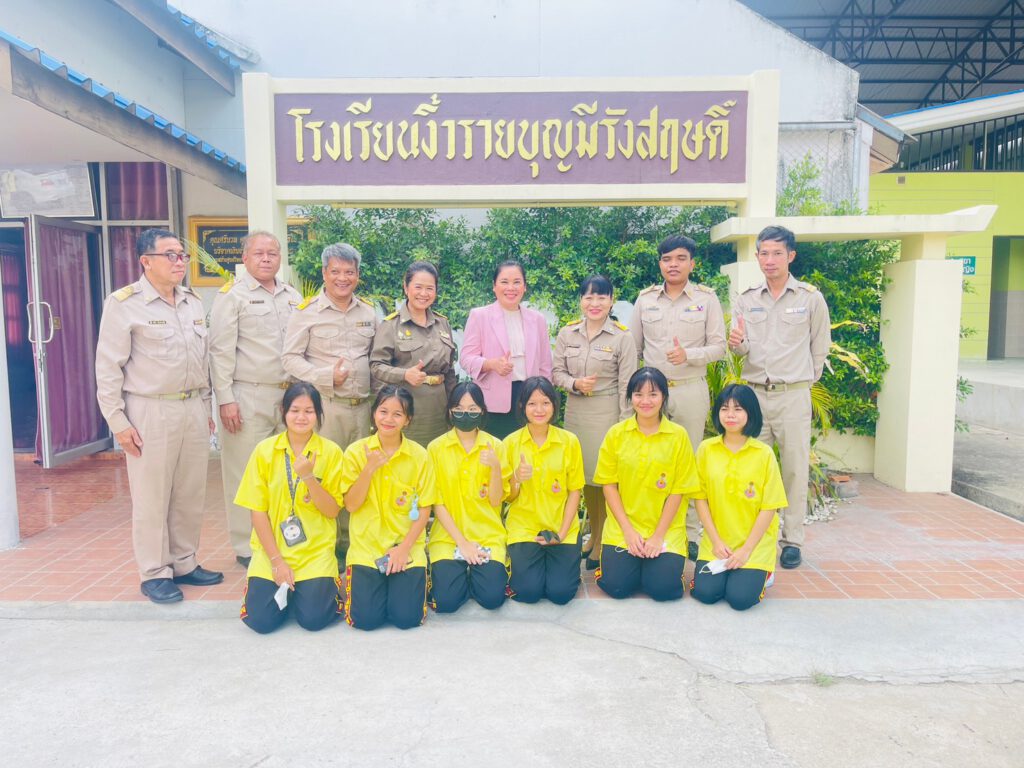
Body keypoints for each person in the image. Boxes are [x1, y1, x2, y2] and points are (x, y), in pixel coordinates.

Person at [95, 228, 223, 604]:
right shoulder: (124, 304)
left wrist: (206, 407)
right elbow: (108, 368)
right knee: (152, 496)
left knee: (189, 492)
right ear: (145, 261)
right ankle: (154, 571)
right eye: (170, 255)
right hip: (149, 409)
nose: (179, 261)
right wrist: (118, 423)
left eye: (182, 255)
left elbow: (202, 361)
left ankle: (184, 562)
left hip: (192, 407)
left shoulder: (191, 302)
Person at [728, 225, 831, 570]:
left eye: (776, 253)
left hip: (792, 397)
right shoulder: (747, 299)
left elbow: (820, 346)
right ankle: (750, 538)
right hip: (754, 396)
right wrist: (737, 343)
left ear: (791, 256)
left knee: (794, 470)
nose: (769, 260)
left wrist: (801, 381)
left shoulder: (810, 298)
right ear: (757, 256)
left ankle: (792, 541)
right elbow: (740, 349)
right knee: (750, 470)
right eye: (764, 253)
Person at [210, 230, 302, 567]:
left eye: (272, 253)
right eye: (259, 253)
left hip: (288, 397)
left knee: (284, 473)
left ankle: (281, 538)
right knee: (245, 473)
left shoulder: (291, 296)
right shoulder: (232, 296)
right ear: (245, 258)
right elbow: (219, 351)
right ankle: (246, 547)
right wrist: (225, 399)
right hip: (248, 396)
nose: (266, 259)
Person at [631, 234, 726, 561]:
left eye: (681, 258)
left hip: (689, 389)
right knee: (651, 461)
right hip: (652, 395)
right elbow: (634, 349)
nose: (673, 264)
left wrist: (690, 355)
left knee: (689, 462)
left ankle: (689, 532)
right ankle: (653, 526)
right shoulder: (645, 299)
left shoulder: (706, 299)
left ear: (692, 263)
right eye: (667, 259)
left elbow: (719, 347)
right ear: (660, 263)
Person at [282, 242, 378, 559]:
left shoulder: (368, 311)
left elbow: (376, 358)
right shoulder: (307, 312)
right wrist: (324, 376)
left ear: (358, 275)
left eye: (349, 272)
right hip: (327, 408)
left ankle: (352, 543)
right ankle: (327, 545)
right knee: (326, 476)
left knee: (359, 476)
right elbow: (290, 359)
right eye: (335, 271)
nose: (342, 278)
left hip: (363, 410)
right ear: (324, 273)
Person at [236, 382, 345, 633]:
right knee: (261, 622)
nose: (301, 417)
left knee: (314, 620)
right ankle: (292, 592)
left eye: (309, 411)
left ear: (318, 414)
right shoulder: (264, 451)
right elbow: (257, 511)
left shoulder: (331, 452)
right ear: (283, 411)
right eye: (295, 410)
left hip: (314, 552)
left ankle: (308, 594)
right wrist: (277, 561)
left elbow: (332, 511)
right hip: (272, 551)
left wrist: (308, 477)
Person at [592, 367, 699, 601]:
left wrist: (658, 536)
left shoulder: (678, 436)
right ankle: (635, 567)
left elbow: (679, 490)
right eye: (638, 394)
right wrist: (628, 532)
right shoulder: (616, 434)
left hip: (665, 530)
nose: (645, 401)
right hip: (624, 529)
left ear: (664, 397)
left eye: (653, 394)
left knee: (663, 590)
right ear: (630, 397)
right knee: (617, 587)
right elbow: (609, 485)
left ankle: (653, 569)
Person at [552, 275, 636, 571]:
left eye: (601, 297)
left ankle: (601, 540)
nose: (595, 303)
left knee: (604, 480)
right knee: (583, 478)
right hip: (576, 412)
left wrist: (625, 426)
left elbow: (628, 385)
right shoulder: (568, 333)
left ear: (612, 301)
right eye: (588, 297)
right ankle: (593, 535)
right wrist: (574, 383)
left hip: (607, 413)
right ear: (581, 301)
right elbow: (556, 372)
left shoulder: (622, 337)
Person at [340, 385, 437, 630]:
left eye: (397, 414)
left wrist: (404, 549)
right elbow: (351, 505)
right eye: (383, 411)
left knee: (407, 618)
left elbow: (424, 508)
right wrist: (368, 469)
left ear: (408, 419)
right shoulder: (355, 452)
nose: (389, 419)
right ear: (374, 413)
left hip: (406, 547)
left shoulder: (420, 456)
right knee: (365, 620)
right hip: (366, 548)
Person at [691, 384, 787, 611]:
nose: (730, 415)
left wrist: (746, 550)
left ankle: (765, 573)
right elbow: (700, 498)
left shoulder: (763, 454)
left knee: (740, 599)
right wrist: (716, 542)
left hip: (753, 544)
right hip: (718, 544)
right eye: (724, 409)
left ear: (750, 413)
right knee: (706, 593)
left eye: (738, 409)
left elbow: (769, 507)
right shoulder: (706, 449)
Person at [426, 382, 510, 613]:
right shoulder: (435, 448)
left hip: (487, 535)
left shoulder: (496, 446)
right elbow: (436, 503)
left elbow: (496, 501)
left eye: (472, 409)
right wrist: (462, 544)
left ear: (482, 411)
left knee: (492, 598)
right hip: (448, 538)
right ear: (450, 411)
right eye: (459, 409)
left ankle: (473, 574)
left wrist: (495, 467)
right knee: (446, 602)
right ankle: (460, 574)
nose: (465, 414)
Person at [502, 377, 585, 605]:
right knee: (528, 592)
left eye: (545, 403)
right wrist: (516, 478)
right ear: (522, 406)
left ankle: (564, 569)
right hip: (525, 528)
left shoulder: (569, 441)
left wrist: (562, 533)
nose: (539, 410)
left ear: (554, 405)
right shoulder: (510, 443)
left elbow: (575, 491)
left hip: (561, 527)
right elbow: (508, 497)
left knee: (561, 593)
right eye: (532, 403)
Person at [459, 260, 553, 438]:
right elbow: (466, 358)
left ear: (524, 286)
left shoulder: (537, 319)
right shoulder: (480, 316)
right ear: (494, 286)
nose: (511, 288)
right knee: (496, 450)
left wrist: (544, 398)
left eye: (517, 282)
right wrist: (491, 364)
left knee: (526, 450)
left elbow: (545, 365)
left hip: (530, 399)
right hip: (492, 402)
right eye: (504, 282)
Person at [370, 261, 457, 447]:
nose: (423, 293)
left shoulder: (443, 323)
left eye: (429, 288)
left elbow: (449, 371)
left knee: (437, 455)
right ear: (406, 287)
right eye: (418, 287)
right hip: (405, 408)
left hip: (439, 408)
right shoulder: (391, 325)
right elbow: (376, 366)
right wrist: (404, 374)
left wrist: (454, 404)